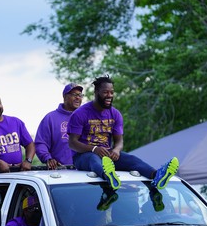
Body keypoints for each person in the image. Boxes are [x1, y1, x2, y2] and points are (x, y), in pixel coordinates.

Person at [67, 75, 179, 210]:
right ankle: (108, 176)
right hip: (83, 156)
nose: (109, 95)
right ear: (96, 92)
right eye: (105, 92)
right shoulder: (80, 114)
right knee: (93, 160)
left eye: (112, 92)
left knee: (132, 160)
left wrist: (116, 150)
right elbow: (72, 143)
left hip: (107, 155)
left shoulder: (115, 114)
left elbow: (119, 141)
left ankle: (156, 176)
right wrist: (94, 149)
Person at [34, 83, 84, 169]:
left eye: (80, 95)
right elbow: (41, 143)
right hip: (60, 171)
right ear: (65, 97)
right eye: (74, 95)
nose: (78, 98)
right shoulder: (50, 118)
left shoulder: (86, 117)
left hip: (85, 170)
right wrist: (48, 158)